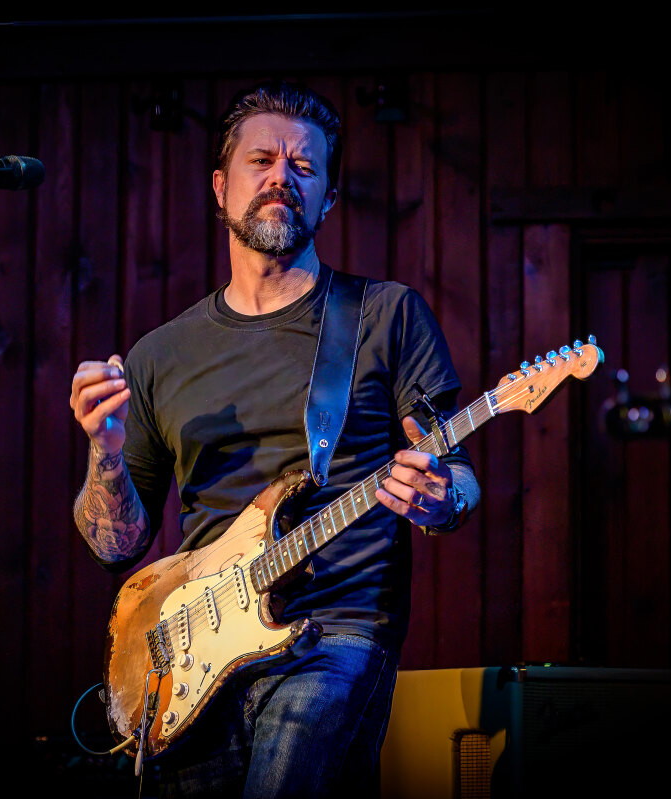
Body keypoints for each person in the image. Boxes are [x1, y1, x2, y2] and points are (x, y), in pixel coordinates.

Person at [69, 81, 480, 799]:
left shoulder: (384, 315)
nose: (281, 177)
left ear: (328, 197)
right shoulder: (160, 354)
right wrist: (104, 449)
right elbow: (117, 546)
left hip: (334, 633)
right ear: (221, 187)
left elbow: (459, 474)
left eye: (304, 166)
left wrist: (442, 498)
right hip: (198, 657)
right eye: (261, 160)